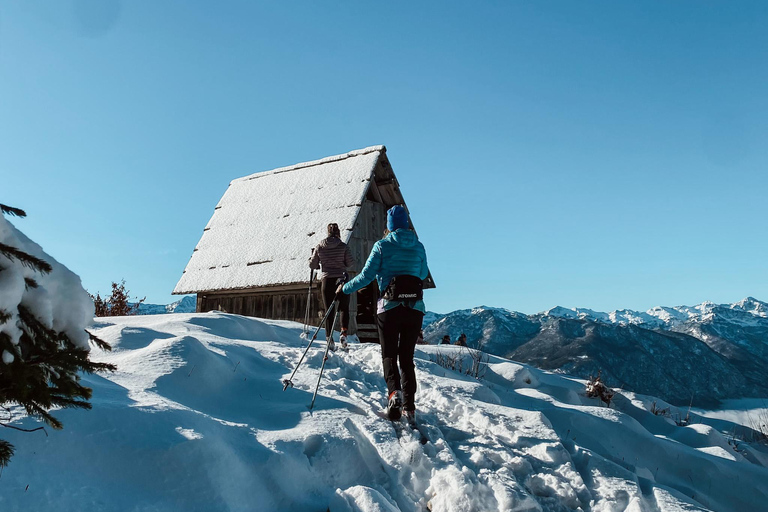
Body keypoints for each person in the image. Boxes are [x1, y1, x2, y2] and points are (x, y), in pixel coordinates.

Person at [337, 205, 429, 422]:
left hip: (389, 308)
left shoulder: (382, 246)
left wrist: (345, 289)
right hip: (414, 309)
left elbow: (366, 277)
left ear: (389, 226)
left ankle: (394, 393)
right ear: (406, 223)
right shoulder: (419, 246)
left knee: (389, 355)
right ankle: (410, 406)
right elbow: (423, 273)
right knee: (407, 358)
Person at [309, 223, 354, 350]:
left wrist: (316, 262)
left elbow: (313, 265)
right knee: (344, 307)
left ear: (327, 232)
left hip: (327, 280)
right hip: (341, 279)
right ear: (338, 232)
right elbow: (350, 263)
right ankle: (344, 333)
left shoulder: (320, 246)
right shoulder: (343, 246)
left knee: (329, 310)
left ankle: (329, 338)